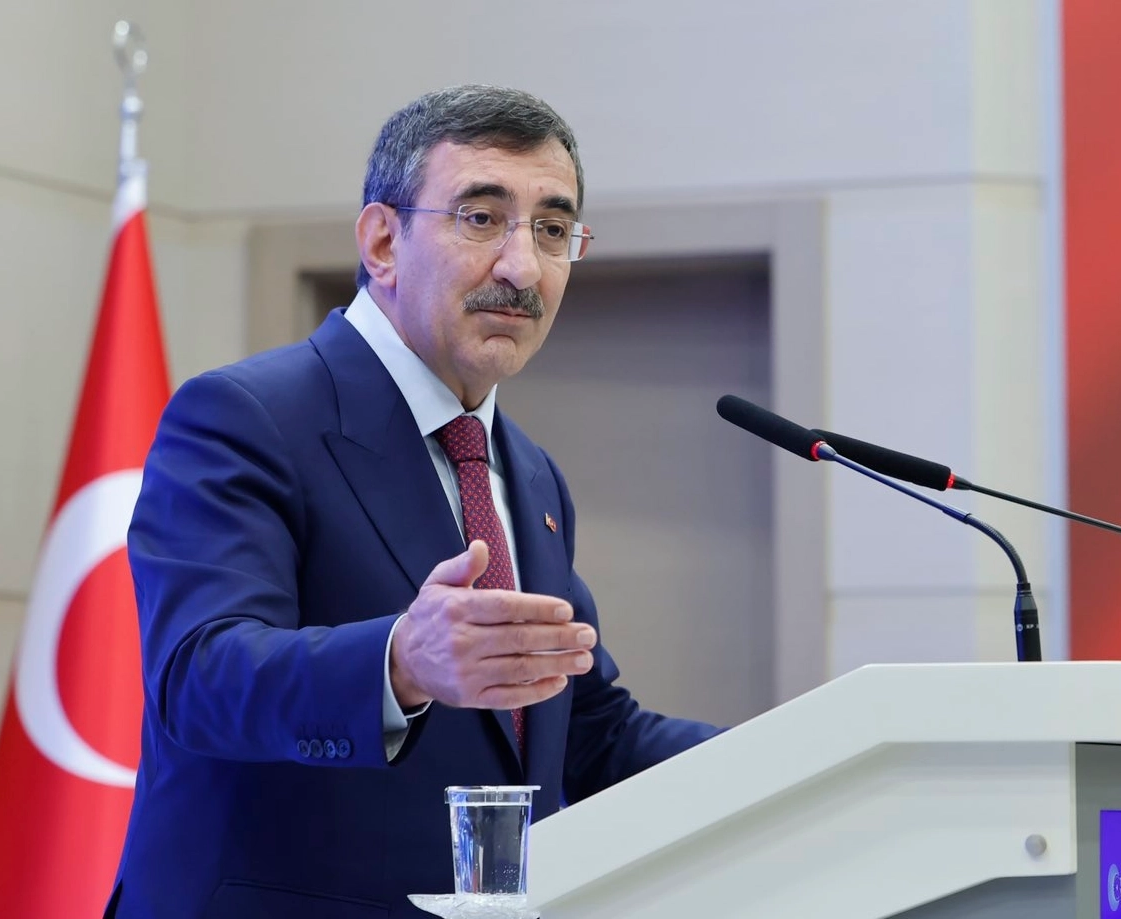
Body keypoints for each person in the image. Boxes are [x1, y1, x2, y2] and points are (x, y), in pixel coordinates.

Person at [104, 84, 721, 918]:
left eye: (552, 230)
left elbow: (583, 730)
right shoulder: (244, 416)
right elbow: (199, 676)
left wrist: (814, 743)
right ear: (382, 240)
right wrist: (398, 661)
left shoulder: (530, 474)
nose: (522, 267)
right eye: (481, 218)